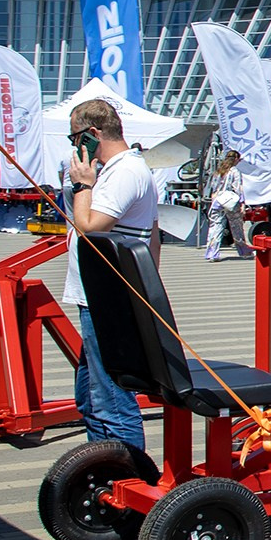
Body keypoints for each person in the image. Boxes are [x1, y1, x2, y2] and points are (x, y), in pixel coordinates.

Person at [62, 98, 160, 458]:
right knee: (91, 397)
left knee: (111, 400)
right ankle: (101, 466)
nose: (73, 148)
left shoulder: (123, 172)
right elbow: (153, 232)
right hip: (101, 295)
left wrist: (82, 186)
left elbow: (89, 227)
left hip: (107, 300)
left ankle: (128, 472)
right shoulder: (122, 169)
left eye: (74, 139)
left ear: (92, 134)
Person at [205, 150, 252, 261]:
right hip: (230, 201)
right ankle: (243, 251)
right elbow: (238, 188)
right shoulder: (234, 171)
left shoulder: (218, 171)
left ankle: (212, 252)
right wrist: (242, 204)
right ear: (236, 159)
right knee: (236, 227)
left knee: (215, 227)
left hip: (217, 200)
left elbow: (213, 187)